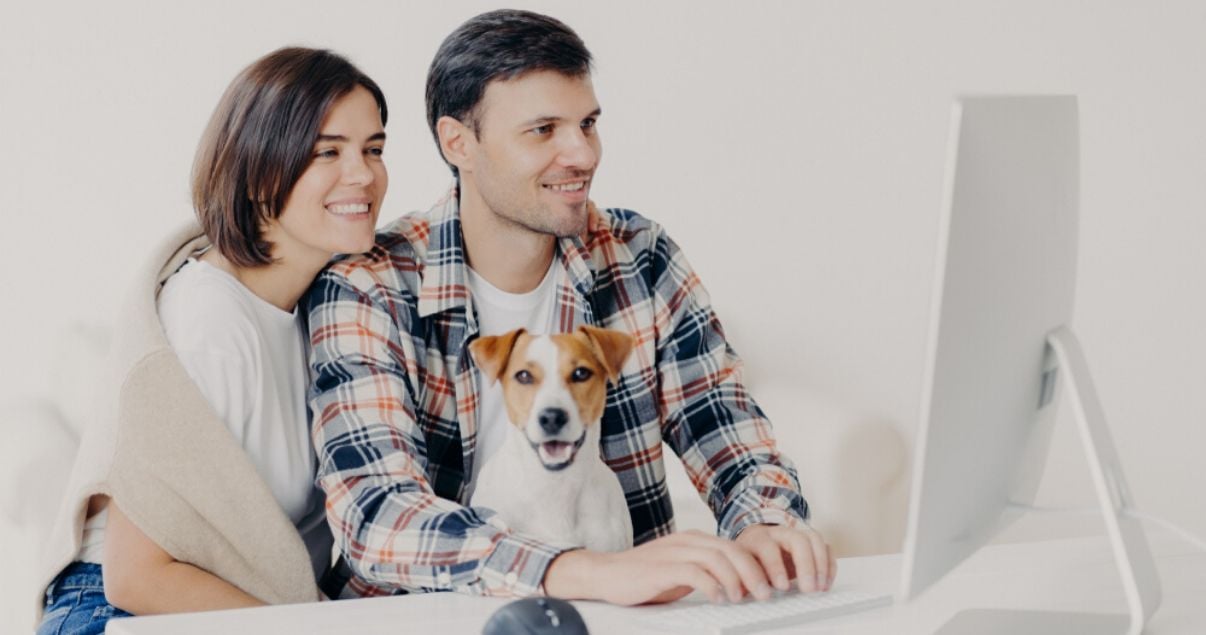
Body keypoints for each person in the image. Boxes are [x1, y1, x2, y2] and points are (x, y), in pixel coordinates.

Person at [305, 9, 833, 606]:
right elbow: (377, 515)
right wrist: (584, 572)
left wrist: (764, 524)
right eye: (543, 130)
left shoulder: (641, 257)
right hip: (428, 617)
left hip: (616, 617)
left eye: (587, 123)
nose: (581, 154)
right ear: (459, 144)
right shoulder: (369, 287)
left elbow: (727, 435)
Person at [35, 47, 389, 634]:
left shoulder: (320, 313)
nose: (364, 174)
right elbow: (136, 575)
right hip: (114, 613)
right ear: (259, 172)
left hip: (235, 609)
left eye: (373, 149)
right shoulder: (211, 318)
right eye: (328, 151)